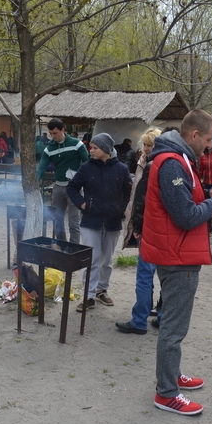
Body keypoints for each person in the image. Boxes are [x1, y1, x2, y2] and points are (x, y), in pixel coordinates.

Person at [141, 110, 212, 415]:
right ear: (194, 135)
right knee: (173, 327)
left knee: (172, 323)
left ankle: (171, 374)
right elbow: (185, 215)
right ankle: (166, 393)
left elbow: (184, 198)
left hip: (176, 252)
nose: (209, 146)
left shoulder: (177, 159)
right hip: (177, 256)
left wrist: (209, 192)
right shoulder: (172, 164)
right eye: (208, 139)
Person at [67, 133, 132, 312]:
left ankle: (102, 290)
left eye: (95, 147)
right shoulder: (86, 168)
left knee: (107, 260)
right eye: (92, 147)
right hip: (90, 221)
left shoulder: (121, 169)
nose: (91, 150)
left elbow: (128, 192)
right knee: (92, 259)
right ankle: (88, 296)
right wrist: (81, 203)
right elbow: (71, 187)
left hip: (112, 222)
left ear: (105, 149)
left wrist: (121, 209)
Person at [116, 127, 162, 335]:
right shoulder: (148, 162)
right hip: (158, 229)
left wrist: (138, 226)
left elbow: (143, 201)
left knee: (145, 275)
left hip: (151, 229)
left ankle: (139, 320)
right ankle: (160, 315)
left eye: (150, 145)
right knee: (161, 275)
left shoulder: (153, 166)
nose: (146, 148)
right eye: (144, 144)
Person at [36, 118, 89, 244]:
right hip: (58, 187)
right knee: (57, 221)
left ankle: (74, 248)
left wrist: (81, 179)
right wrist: (35, 181)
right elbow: (42, 167)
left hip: (74, 188)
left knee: (73, 222)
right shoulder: (49, 149)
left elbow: (87, 162)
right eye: (51, 133)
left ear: (63, 130)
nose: (53, 136)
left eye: (55, 133)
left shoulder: (77, 144)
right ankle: (62, 247)